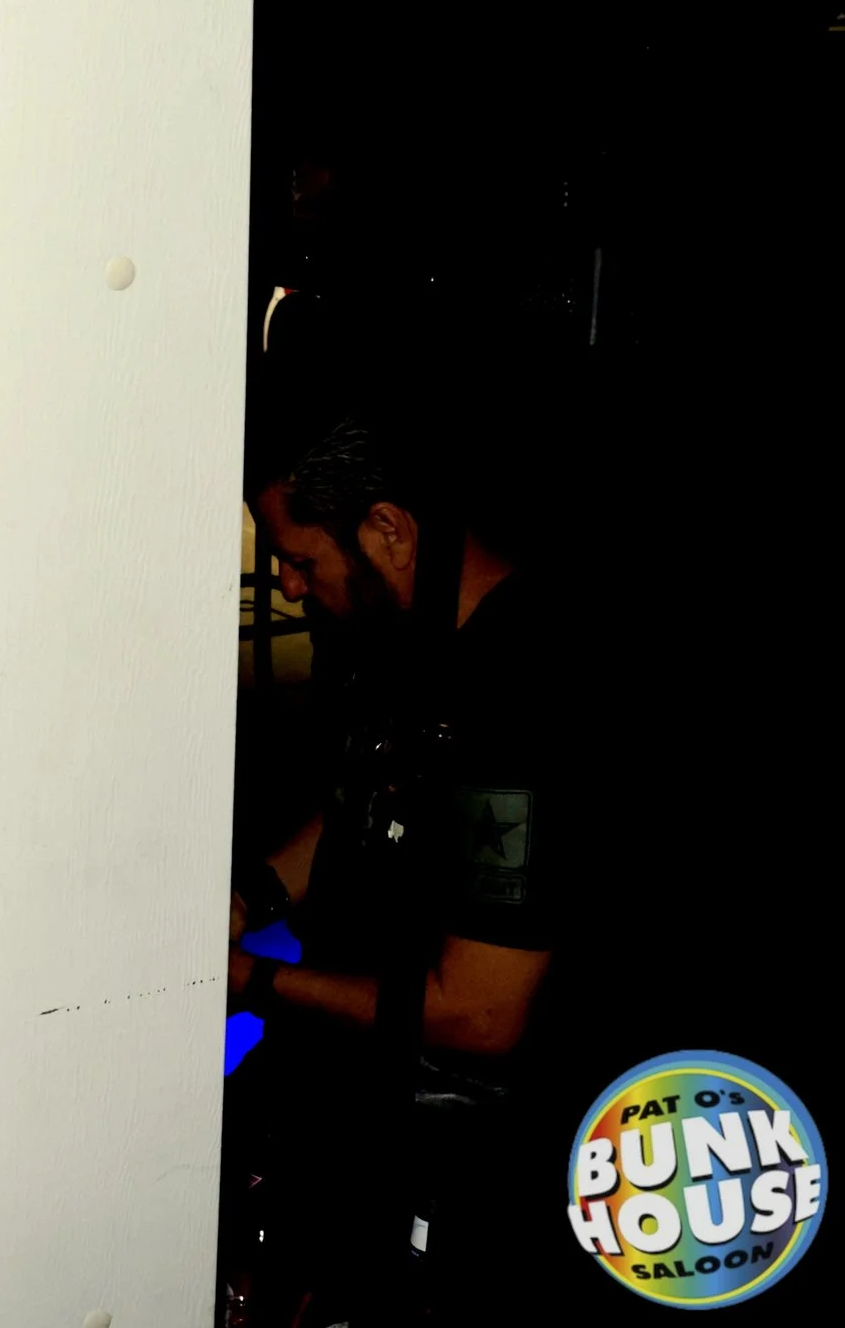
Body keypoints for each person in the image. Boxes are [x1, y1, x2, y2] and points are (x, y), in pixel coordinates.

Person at [228, 386, 596, 1316]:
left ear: (388, 529)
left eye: (300, 558)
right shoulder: (408, 640)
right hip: (354, 1091)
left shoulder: (523, 693)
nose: (289, 586)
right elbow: (361, 798)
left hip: (462, 1144)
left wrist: (255, 980)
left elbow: (481, 1011)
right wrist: (252, 896)